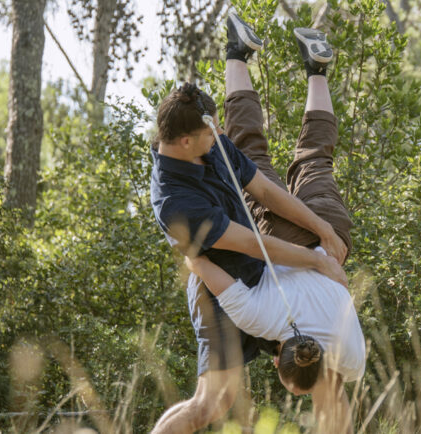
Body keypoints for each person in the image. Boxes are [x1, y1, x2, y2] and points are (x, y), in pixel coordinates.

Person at [149, 11, 363, 434]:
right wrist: (318, 258)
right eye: (211, 137)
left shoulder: (205, 142)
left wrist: (322, 235)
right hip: (228, 278)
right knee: (211, 404)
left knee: (257, 149)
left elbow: (262, 190)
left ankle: (237, 53)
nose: (218, 141)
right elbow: (247, 245)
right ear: (186, 141)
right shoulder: (178, 205)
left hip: (266, 261)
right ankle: (242, 54)